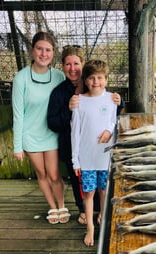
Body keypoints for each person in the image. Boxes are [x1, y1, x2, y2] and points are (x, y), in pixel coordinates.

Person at [47, 46, 123, 225]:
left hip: (99, 147)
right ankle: (84, 209)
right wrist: (69, 109)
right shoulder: (59, 93)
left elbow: (109, 110)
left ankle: (100, 211)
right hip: (72, 145)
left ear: (82, 65)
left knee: (102, 183)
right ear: (63, 66)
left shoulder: (95, 82)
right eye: (68, 64)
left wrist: (120, 102)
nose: (72, 68)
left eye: (76, 63)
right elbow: (53, 123)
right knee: (79, 183)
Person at [12, 31, 70, 225]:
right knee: (42, 174)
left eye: (48, 50)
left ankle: (61, 205)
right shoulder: (21, 78)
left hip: (51, 133)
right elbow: (18, 114)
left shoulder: (59, 76)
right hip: (30, 135)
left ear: (53, 53)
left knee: (54, 173)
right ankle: (52, 207)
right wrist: (17, 146)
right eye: (39, 49)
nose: (43, 54)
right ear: (32, 50)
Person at [71, 59, 117, 247]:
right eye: (91, 78)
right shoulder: (79, 102)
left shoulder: (112, 99)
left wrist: (109, 131)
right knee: (88, 194)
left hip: (105, 157)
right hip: (87, 158)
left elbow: (113, 122)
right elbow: (74, 132)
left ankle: (104, 221)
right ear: (85, 80)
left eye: (100, 78)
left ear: (106, 79)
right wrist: (75, 160)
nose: (96, 82)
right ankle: (90, 227)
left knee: (104, 191)